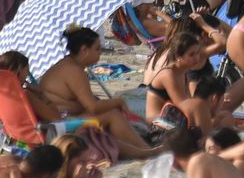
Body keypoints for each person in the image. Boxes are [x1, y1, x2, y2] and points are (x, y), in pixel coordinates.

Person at [33, 28, 157, 158]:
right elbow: (93, 107)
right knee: (112, 114)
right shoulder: (74, 71)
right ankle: (146, 150)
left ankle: (138, 146)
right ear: (84, 50)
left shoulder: (68, 65)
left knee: (109, 109)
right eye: (97, 49)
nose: (100, 53)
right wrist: (118, 102)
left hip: (58, 121)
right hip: (61, 126)